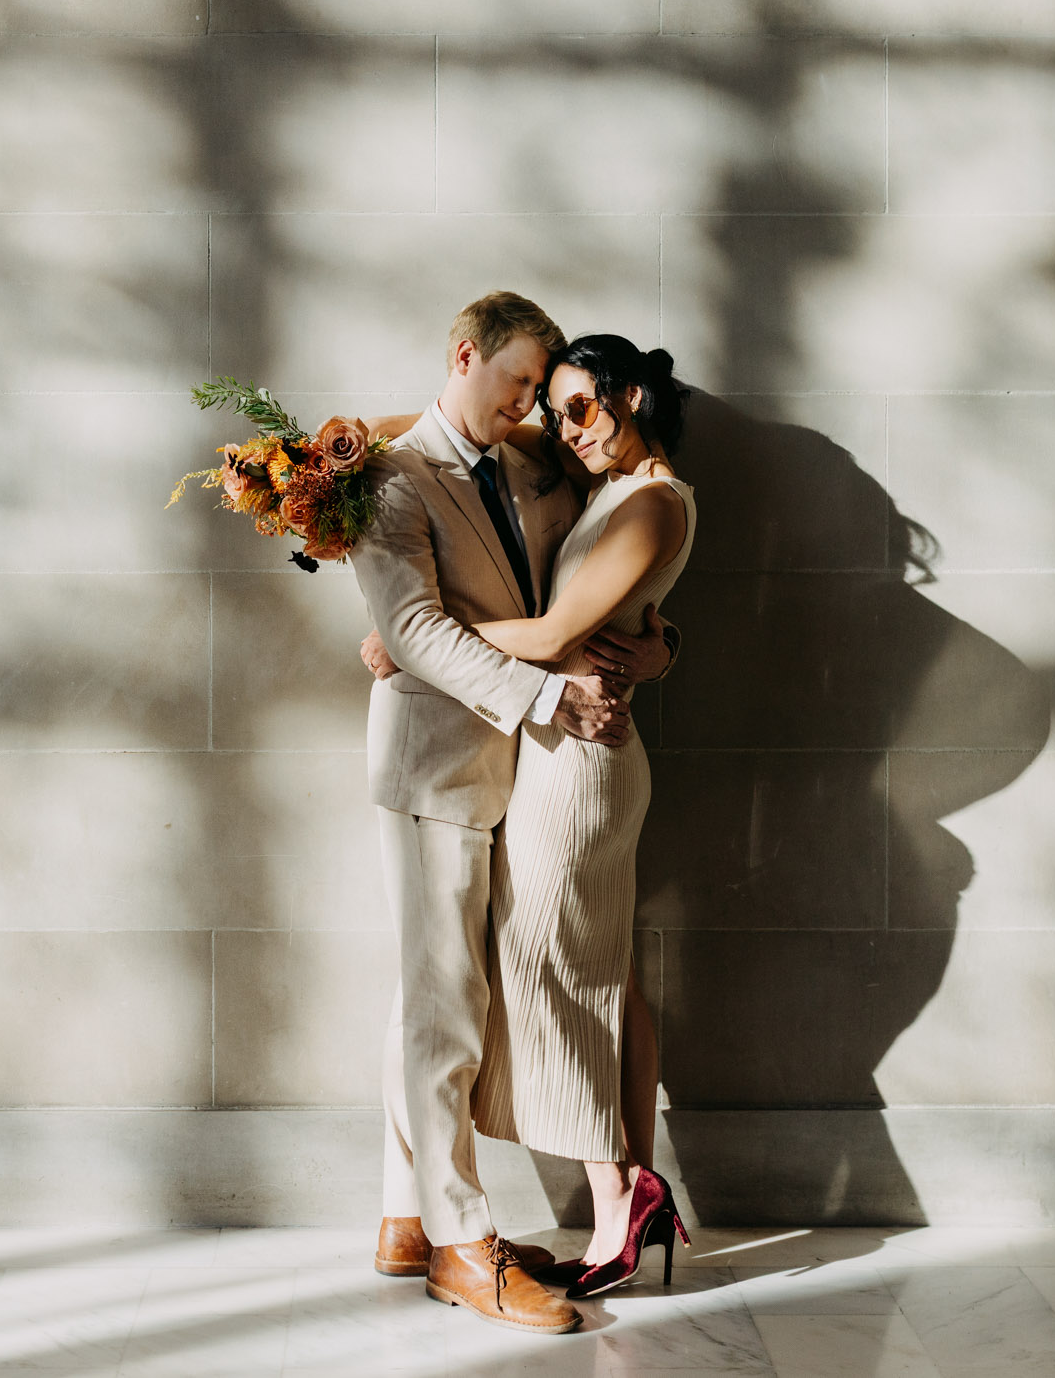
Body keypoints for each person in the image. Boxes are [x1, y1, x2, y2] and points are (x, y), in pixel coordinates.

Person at [345, 294, 676, 1337]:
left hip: (525, 772)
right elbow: (410, 627)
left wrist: (661, 646)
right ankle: (457, 1244)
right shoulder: (384, 483)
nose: (533, 407)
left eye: (543, 390)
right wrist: (548, 695)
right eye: (519, 383)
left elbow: (619, 565)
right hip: (437, 765)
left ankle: (405, 1217)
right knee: (442, 1006)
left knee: (436, 996)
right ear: (463, 356)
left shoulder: (532, 456)